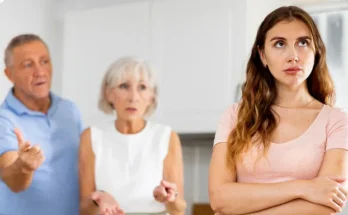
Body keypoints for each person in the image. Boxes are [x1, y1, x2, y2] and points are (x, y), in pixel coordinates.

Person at [208, 6, 348, 215]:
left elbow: (326, 205)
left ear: (316, 51)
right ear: (263, 56)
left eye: (303, 43)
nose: (293, 56)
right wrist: (305, 187)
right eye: (280, 44)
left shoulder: (336, 121)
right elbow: (219, 198)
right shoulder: (234, 116)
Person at [78, 56, 186, 215]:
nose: (133, 97)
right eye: (124, 86)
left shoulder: (166, 136)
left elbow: (179, 209)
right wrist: (99, 197)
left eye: (142, 87)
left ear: (152, 96)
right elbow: (85, 210)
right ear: (108, 94)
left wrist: (169, 197)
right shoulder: (92, 137)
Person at [0, 34, 83, 215]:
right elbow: (12, 181)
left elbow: (85, 166)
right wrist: (24, 166)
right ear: (9, 74)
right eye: (28, 65)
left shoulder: (70, 110)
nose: (40, 71)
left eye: (44, 61)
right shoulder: (3, 120)